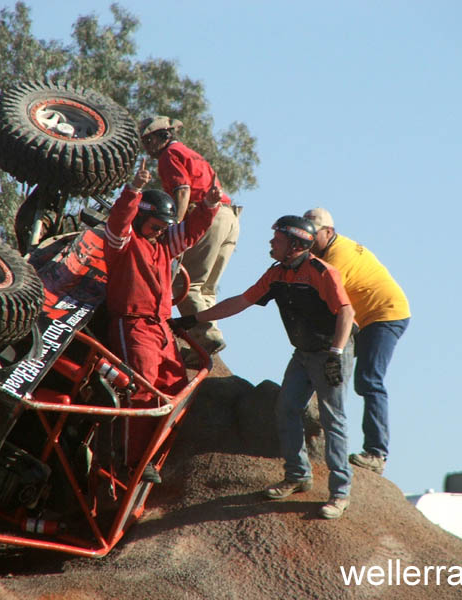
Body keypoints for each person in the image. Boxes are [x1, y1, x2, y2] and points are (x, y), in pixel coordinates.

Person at [169, 216, 356, 519]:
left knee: (333, 420)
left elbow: (346, 313)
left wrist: (335, 354)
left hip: (331, 352)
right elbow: (240, 301)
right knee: (286, 408)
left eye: (277, 240)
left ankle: (340, 494)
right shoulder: (277, 273)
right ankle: (297, 476)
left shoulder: (323, 272)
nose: (271, 243)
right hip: (304, 353)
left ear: (295, 246)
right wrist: (192, 320)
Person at [104, 159, 222, 483]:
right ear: (140, 216)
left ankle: (152, 458)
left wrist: (209, 206)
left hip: (161, 328)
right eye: (154, 225)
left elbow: (190, 232)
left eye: (162, 228)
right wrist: (133, 190)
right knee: (141, 384)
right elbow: (117, 222)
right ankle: (129, 462)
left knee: (175, 387)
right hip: (133, 325)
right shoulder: (124, 243)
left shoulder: (163, 246)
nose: (159, 232)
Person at [303, 207, 410, 476]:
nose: (308, 240)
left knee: (368, 380)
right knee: (337, 364)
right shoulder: (325, 252)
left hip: (385, 314)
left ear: (328, 232)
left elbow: (327, 306)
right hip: (367, 317)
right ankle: (317, 416)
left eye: (313, 235)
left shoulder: (339, 257)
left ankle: (376, 453)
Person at [138, 115, 240, 357]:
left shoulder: (168, 156)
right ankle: (208, 338)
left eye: (148, 140)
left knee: (186, 283)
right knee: (206, 288)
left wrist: (175, 228)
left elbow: (182, 192)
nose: (146, 146)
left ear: (160, 137)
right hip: (230, 216)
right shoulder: (187, 152)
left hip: (208, 216)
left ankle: (206, 338)